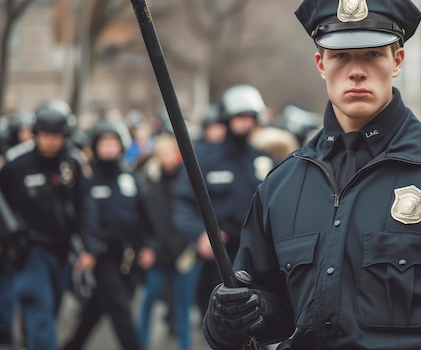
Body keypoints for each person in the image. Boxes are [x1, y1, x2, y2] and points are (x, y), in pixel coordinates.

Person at [202, 0, 421, 350]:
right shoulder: (281, 186)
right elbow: (263, 311)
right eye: (341, 56)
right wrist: (228, 319)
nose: (356, 71)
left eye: (373, 54)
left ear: (398, 61)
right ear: (320, 64)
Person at [173, 84, 275, 318]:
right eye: (239, 117)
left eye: (249, 117)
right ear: (226, 118)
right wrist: (200, 234)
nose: (244, 123)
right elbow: (183, 202)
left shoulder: (264, 161)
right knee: (222, 321)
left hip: (257, 256)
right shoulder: (204, 158)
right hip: (219, 256)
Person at [0, 100, 88, 350]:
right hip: (29, 252)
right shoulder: (16, 165)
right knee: (40, 309)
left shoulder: (72, 164)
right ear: (36, 134)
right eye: (45, 134)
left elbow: (83, 208)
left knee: (51, 311)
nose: (50, 140)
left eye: (56, 135)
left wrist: (85, 248)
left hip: (62, 251)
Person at [62, 119, 150, 350]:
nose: (109, 148)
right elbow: (82, 219)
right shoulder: (88, 180)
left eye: (113, 142)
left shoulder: (130, 178)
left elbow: (143, 217)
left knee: (96, 310)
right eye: (104, 143)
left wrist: (146, 246)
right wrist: (88, 250)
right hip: (99, 256)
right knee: (120, 308)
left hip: (125, 257)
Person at [135, 133, 199, 350]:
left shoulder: (189, 179)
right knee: (149, 300)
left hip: (184, 253)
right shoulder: (148, 181)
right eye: (161, 152)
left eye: (169, 151)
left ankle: (185, 345)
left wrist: (192, 245)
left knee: (182, 304)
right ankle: (139, 344)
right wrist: (146, 246)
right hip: (158, 252)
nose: (165, 157)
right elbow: (142, 220)